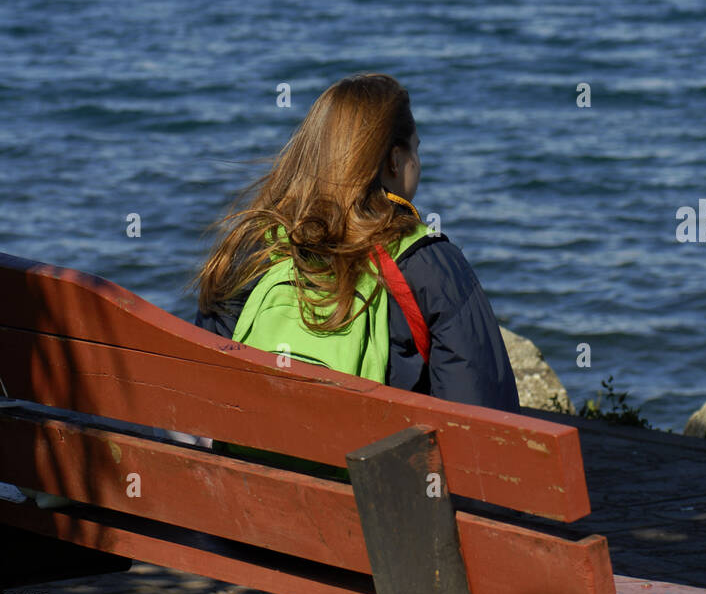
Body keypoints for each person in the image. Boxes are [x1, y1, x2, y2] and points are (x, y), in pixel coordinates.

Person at [192, 72, 519, 413]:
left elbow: (200, 392)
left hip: (246, 460)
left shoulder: (253, 248)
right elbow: (486, 417)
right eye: (415, 151)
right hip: (371, 467)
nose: (418, 165)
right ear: (395, 161)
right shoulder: (429, 263)